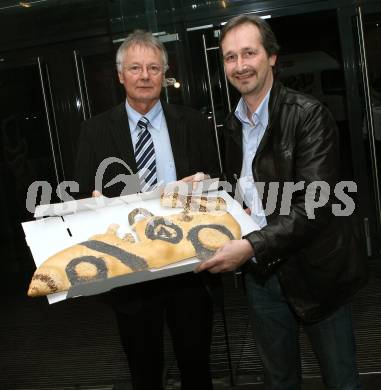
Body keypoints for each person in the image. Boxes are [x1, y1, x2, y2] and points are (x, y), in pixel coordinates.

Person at [197, 15, 369, 390]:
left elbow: (316, 204)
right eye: (230, 57)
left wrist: (250, 245)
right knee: (279, 380)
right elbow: (251, 191)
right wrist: (210, 189)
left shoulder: (308, 116)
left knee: (341, 380)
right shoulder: (232, 125)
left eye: (249, 53)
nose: (240, 66)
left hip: (316, 273)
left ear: (271, 56)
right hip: (262, 276)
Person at [75, 30, 219, 390]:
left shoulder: (193, 123)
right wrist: (93, 206)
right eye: (135, 68)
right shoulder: (94, 131)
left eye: (154, 67)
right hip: (131, 272)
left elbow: (218, 189)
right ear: (120, 75)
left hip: (189, 264)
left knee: (197, 366)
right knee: (143, 372)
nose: (144, 76)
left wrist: (203, 188)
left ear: (164, 75)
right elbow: (81, 195)